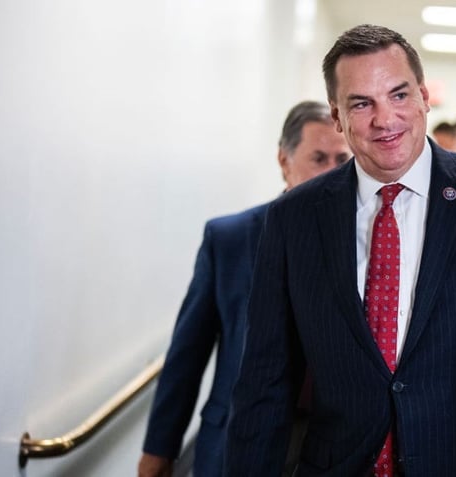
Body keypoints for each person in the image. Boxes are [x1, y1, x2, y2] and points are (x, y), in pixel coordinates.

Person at [224, 24, 456, 476]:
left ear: (423, 96)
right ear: (338, 117)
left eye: (399, 95)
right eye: (362, 103)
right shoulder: (294, 218)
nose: (385, 119)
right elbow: (263, 384)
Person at [137, 100, 351, 477]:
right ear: (284, 161)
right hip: (240, 438)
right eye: (318, 158)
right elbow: (188, 354)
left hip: (331, 444)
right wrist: (159, 449)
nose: (332, 172)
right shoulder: (231, 239)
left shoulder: (369, 241)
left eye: (341, 159)